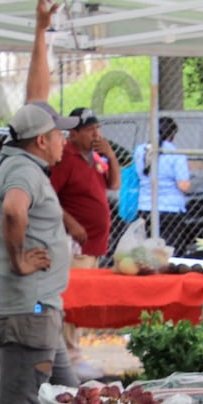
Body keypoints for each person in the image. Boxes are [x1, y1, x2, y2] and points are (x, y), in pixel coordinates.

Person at [0, 0, 80, 404]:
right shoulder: (22, 171)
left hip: (40, 308)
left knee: (70, 399)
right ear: (43, 140)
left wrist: (41, 32)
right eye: (60, 133)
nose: (66, 139)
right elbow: (14, 210)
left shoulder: (21, 154)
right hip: (29, 308)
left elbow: (35, 96)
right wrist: (20, 259)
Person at [49, 105, 120, 381]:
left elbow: (114, 184)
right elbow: (49, 197)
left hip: (93, 245)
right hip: (73, 245)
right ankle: (69, 356)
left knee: (80, 301)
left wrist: (110, 154)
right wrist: (71, 223)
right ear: (74, 133)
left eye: (97, 129)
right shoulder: (65, 158)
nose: (96, 135)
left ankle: (74, 352)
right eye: (90, 130)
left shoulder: (95, 158)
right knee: (70, 300)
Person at [133, 116, 191, 233]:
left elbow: (138, 174)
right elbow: (183, 186)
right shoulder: (176, 154)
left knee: (146, 242)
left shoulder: (140, 150)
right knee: (168, 242)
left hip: (145, 206)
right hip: (170, 208)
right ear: (172, 134)